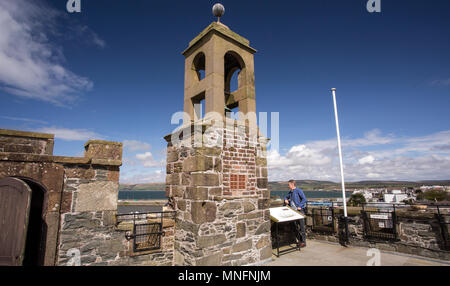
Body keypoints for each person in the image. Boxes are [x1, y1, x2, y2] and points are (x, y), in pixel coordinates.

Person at [284, 179, 307, 248]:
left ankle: (303, 242)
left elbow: (304, 199)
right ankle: (300, 240)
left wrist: (300, 206)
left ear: (292, 184)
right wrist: (285, 199)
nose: (288, 186)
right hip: (293, 212)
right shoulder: (290, 192)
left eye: (288, 185)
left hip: (299, 211)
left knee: (302, 227)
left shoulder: (298, 190)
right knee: (294, 227)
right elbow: (286, 196)